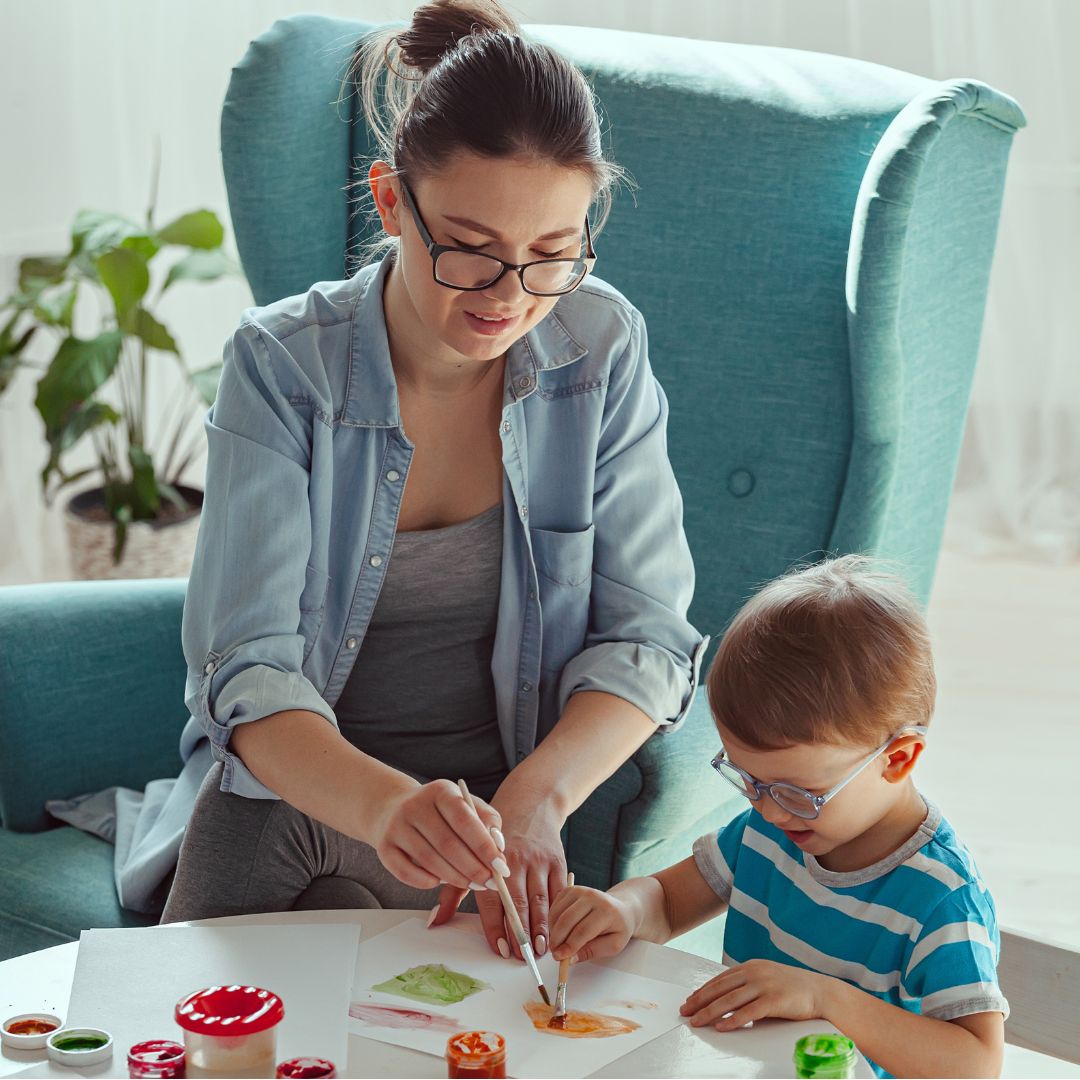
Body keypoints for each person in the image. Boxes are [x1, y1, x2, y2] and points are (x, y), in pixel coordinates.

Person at [161, 0, 706, 969]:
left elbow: (649, 636)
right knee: (219, 987)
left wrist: (538, 796)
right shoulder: (285, 366)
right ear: (388, 202)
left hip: (503, 813)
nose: (507, 298)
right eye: (470, 248)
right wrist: (388, 806)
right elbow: (246, 675)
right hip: (311, 795)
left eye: (551, 258)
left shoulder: (600, 347)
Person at [547, 556, 1008, 1079]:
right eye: (749, 779)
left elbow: (977, 1064)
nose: (764, 807)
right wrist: (622, 909)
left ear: (897, 758)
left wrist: (824, 998)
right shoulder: (774, 830)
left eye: (796, 790)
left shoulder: (940, 897)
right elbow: (669, 902)